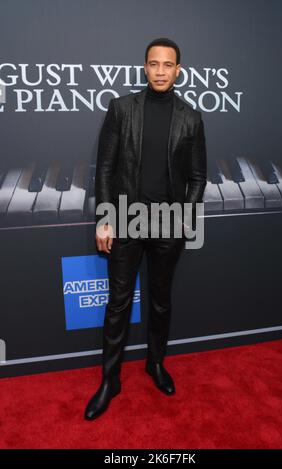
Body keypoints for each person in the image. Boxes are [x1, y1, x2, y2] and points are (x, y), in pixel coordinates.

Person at [84, 37, 207, 420]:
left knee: (160, 301)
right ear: (145, 67)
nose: (159, 71)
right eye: (153, 64)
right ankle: (110, 379)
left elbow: (199, 177)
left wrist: (185, 216)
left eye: (167, 65)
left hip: (169, 223)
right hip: (124, 218)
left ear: (177, 70)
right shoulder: (121, 108)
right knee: (118, 303)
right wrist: (105, 218)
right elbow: (104, 168)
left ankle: (156, 365)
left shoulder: (190, 116)